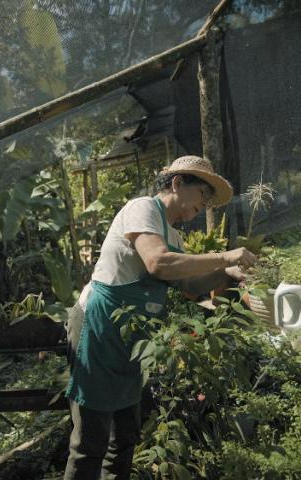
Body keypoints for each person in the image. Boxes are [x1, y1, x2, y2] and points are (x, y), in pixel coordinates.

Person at [63, 155, 256, 480]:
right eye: (202, 194)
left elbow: (190, 287)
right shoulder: (143, 209)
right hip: (98, 330)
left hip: (131, 342)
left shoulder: (175, 237)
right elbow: (158, 263)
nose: (205, 203)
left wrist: (227, 272)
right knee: (89, 443)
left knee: (124, 439)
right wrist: (224, 255)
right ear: (178, 183)